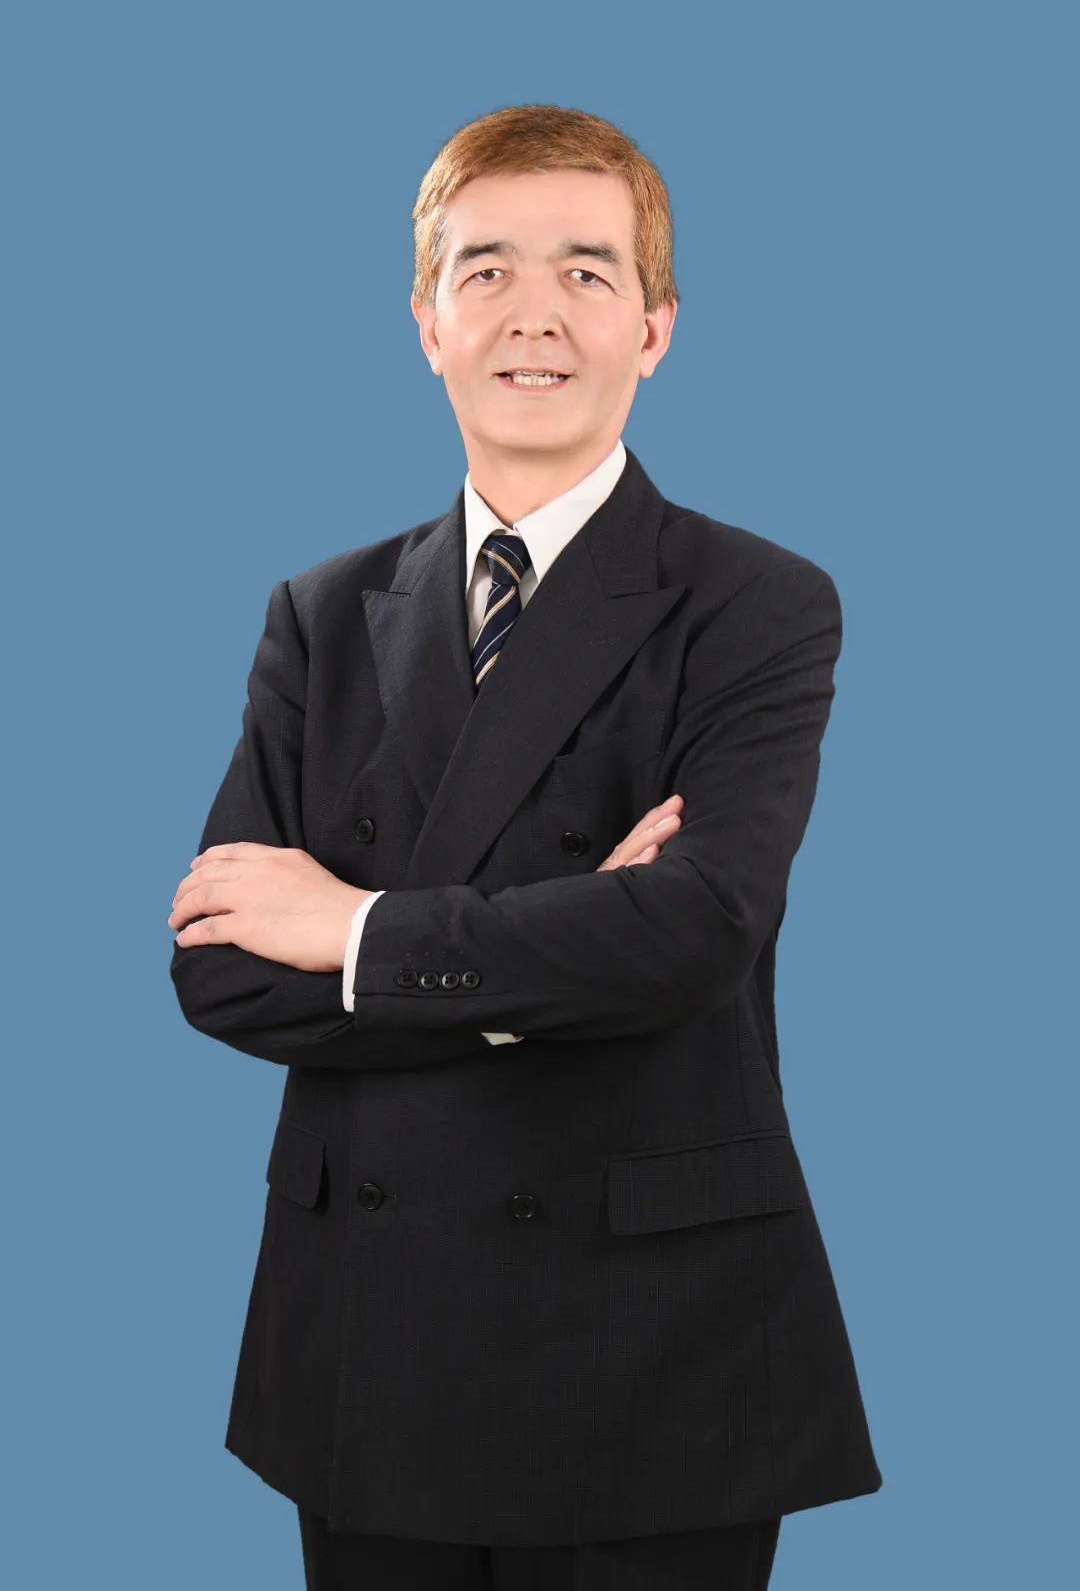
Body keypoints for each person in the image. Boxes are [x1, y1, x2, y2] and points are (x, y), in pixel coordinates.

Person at [168, 102, 883, 1590]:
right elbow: (221, 970)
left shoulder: (757, 602)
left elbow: (693, 933)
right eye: (484, 270)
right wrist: (556, 951)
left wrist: (353, 929)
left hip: (651, 1341)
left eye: (586, 270)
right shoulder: (322, 613)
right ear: (426, 325)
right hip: (369, 1340)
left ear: (656, 329)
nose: (533, 312)